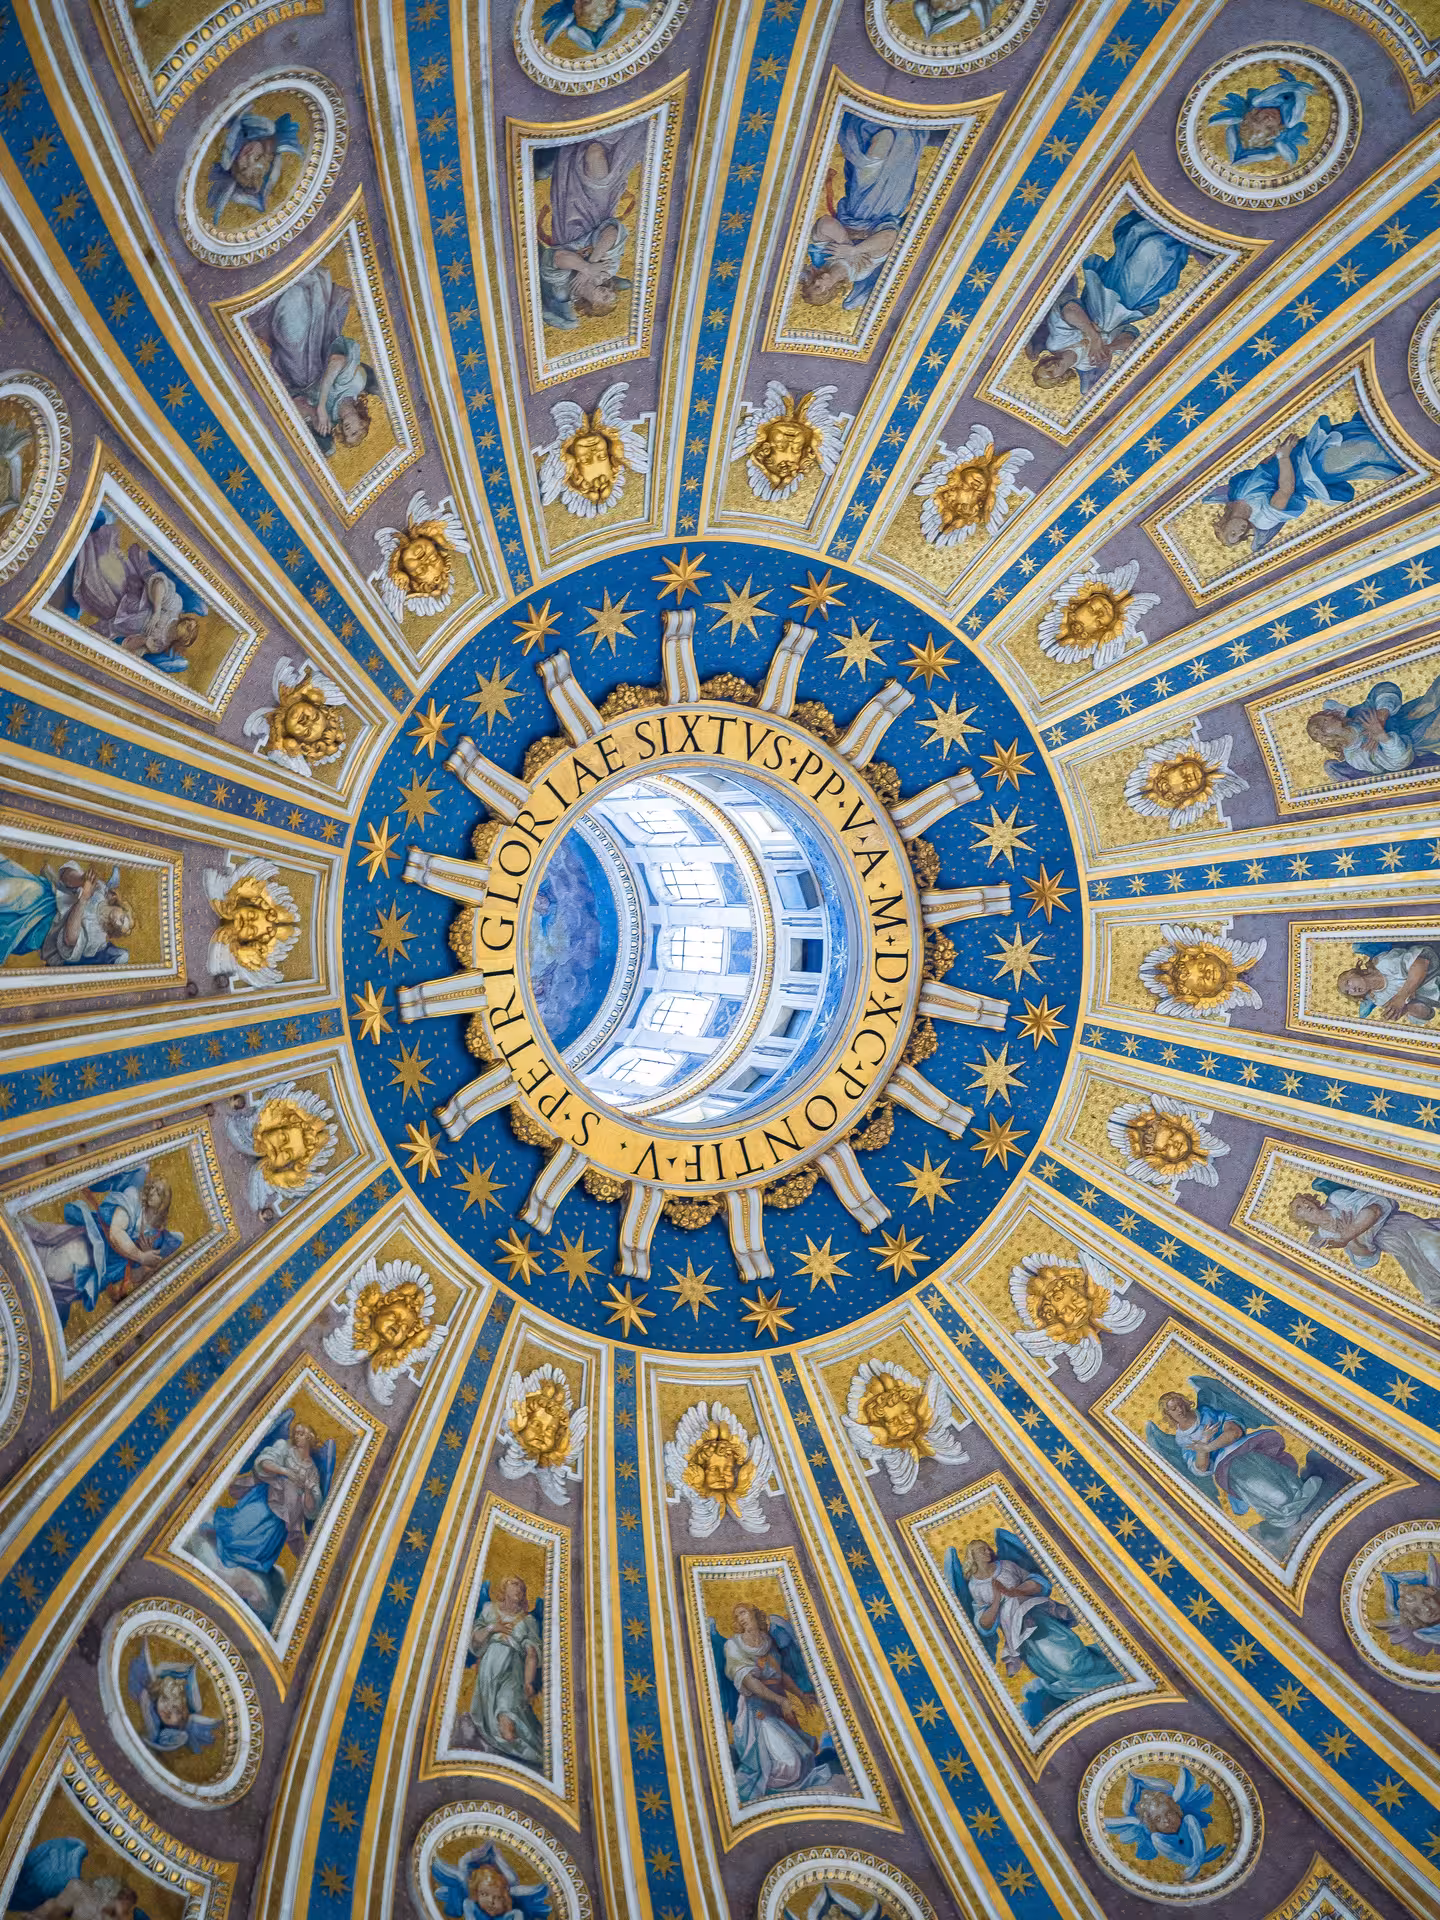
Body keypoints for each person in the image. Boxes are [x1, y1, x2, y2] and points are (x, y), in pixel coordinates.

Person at [950, 1536, 1123, 1725]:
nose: (988, 1551)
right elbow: (983, 1622)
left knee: (1072, 1657)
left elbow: (1037, 1581)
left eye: (988, 1547)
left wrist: (1016, 1591)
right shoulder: (975, 1586)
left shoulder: (1006, 1566)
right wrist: (998, 1599)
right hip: (1018, 1633)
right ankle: (1087, 1685)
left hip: (1039, 1617)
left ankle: (1103, 1669)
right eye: (982, 1550)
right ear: (973, 1556)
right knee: (1052, 1668)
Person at [1027, 212, 1189, 392]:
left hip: (1101, 296)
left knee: (1137, 248)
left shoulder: (1056, 344)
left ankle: (1166, 220)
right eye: (1050, 373)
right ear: (1060, 379)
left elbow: (1068, 308)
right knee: (1156, 266)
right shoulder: (1088, 364)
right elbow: (1131, 341)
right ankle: (1179, 229)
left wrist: (1094, 337)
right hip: (1125, 308)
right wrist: (1110, 348)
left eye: (1045, 366)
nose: (1051, 366)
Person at [1211, 417, 1403, 552]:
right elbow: (1286, 489)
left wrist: (1278, 453)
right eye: (1238, 537)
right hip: (1307, 473)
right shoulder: (1263, 520)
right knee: (1363, 449)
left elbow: (1260, 468)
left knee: (1352, 436)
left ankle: (1396, 426)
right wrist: (1283, 456)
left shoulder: (1235, 493)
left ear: (1224, 523)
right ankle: (1404, 445)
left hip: (1294, 455)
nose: (1240, 532)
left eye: (1232, 533)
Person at [798, 116, 927, 312]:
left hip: (858, 211)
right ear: (829, 291)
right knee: (903, 163)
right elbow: (890, 237)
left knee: (866, 174)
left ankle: (880, 144)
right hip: (889, 211)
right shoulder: (860, 272)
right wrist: (853, 251)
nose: (817, 281)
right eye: (818, 288)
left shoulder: (821, 258)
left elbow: (825, 223)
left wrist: (846, 242)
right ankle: (909, 131)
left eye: (812, 283)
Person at [25, 1163, 181, 1326]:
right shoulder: (133, 1197)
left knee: (59, 1289)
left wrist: (145, 1262)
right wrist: (141, 1256)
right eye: (153, 1187)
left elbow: (134, 1276)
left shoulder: (154, 1235)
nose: (152, 1192)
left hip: (105, 1270)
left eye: (159, 1192)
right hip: (93, 1243)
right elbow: (115, 1232)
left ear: (163, 1202)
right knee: (51, 1262)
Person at [1154, 1388, 1324, 1531]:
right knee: (1276, 1496)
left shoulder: (1206, 1413)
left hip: (1247, 1451)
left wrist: (1206, 1447)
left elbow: (1234, 1430)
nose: (1180, 1410)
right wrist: (1204, 1444)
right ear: (1168, 1414)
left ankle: (1298, 1496)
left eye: (1180, 1404)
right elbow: (1200, 1468)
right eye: (1173, 1409)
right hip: (1231, 1469)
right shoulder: (1182, 1440)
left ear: (1185, 1401)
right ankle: (1282, 1514)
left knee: (1281, 1477)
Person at [716, 1603, 837, 1803]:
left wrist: (800, 1695)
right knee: (788, 1764)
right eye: (737, 1616)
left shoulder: (768, 1641)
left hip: (777, 1709)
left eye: (743, 1612)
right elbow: (750, 1682)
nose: (741, 1618)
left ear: (755, 1614)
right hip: (756, 1714)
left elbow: (780, 1675)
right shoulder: (733, 1645)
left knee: (805, 1756)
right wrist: (781, 1701)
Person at [257, 268, 377, 454]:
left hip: (297, 375)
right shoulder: (356, 384)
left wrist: (314, 415)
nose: (348, 431)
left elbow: (297, 407)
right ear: (362, 421)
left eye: (347, 435)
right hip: (316, 352)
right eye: (355, 432)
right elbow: (336, 360)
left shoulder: (330, 419)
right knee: (292, 320)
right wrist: (321, 406)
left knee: (286, 334)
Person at [534, 129, 645, 329]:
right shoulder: (608, 271)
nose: (608, 293)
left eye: (605, 299)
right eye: (611, 294)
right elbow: (611, 231)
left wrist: (585, 269)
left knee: (572, 158)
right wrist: (592, 262)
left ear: (591, 305)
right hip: (597, 209)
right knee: (596, 155)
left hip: (567, 215)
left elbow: (557, 257)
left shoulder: (564, 290)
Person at [63, 514, 202, 671]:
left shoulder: (159, 644)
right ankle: (78, 529)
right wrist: (156, 611)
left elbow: (128, 647)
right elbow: (159, 583)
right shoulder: (175, 607)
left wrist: (144, 641)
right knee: (102, 562)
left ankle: (67, 554)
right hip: (126, 590)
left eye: (189, 630)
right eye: (190, 623)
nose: (188, 624)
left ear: (184, 641)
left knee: (89, 584)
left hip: (114, 613)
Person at [1289, 1182, 1440, 1307]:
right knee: (1427, 1279)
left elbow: (1376, 1208)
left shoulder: (1336, 1199)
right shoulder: (1326, 1236)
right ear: (1300, 1219)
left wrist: (1349, 1234)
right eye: (1298, 1208)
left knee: (1433, 1251)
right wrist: (1350, 1240)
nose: (1304, 1204)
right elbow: (1367, 1255)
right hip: (1395, 1245)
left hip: (1401, 1224)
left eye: (1304, 1200)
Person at [461, 1575, 545, 1768]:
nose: (519, 1590)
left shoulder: (529, 1621)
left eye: (522, 1587)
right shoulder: (489, 1610)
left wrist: (528, 1682)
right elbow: (475, 1639)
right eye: (514, 1585)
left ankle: (525, 1759)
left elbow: (532, 1653)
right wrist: (493, 1628)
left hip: (512, 1674)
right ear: (503, 1588)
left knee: (506, 1722)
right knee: (490, 1719)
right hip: (488, 1673)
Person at [0, 856, 132, 970]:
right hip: (47, 896)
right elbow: (65, 876)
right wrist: (81, 879)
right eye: (122, 918)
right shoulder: (101, 891)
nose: (117, 922)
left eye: (119, 927)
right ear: (121, 907)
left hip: (45, 929)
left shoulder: (97, 939)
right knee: (14, 889)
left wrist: (83, 900)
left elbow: (70, 939)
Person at [1305, 675, 1440, 782]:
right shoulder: (1355, 756)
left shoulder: (1355, 715)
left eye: (1326, 716)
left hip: (1416, 710)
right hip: (1422, 735)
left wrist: (1382, 713)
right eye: (1324, 723)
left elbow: (1384, 688)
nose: (1329, 718)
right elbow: (1398, 762)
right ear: (1326, 737)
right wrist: (1382, 737)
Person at [206, 107, 304, 222]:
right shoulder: (261, 130)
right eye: (257, 157)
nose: (249, 157)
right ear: (267, 153)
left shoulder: (227, 160)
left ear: (234, 170)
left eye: (244, 167)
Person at [6, 1839, 142, 1920]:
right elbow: (52, 1910)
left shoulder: (118, 1916)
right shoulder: (80, 1891)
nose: (128, 1908)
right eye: (127, 1899)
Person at [1207, 68, 1314, 168]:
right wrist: (1294, 84)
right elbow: (1300, 93)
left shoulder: (1259, 101)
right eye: (1269, 127)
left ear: (1253, 114)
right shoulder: (1290, 119)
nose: (1268, 118)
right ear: (1276, 129)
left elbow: (1279, 89)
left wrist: (1292, 84)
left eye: (1258, 120)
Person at [1337, 942, 1440, 1024]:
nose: (1352, 990)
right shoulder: (1379, 999)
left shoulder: (1383, 964)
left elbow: (1421, 964)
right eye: (1348, 992)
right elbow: (1426, 1013)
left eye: (1348, 983)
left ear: (1353, 973)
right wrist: (1405, 1010)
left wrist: (1401, 997)